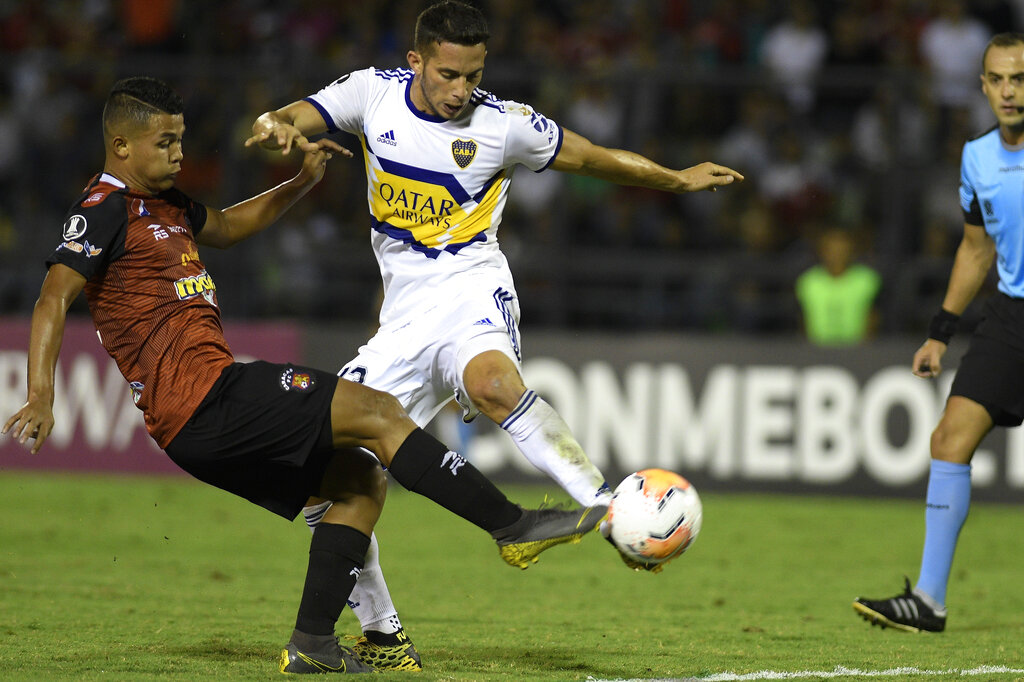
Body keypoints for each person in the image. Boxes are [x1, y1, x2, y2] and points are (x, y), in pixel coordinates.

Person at [0, 76, 605, 674]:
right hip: (204, 400)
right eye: (164, 142)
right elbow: (53, 299)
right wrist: (42, 396)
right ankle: (511, 525)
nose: (179, 153)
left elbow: (230, 229)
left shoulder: (166, 203)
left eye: (181, 139)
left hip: (200, 417)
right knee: (379, 414)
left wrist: (300, 182)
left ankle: (316, 643)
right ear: (121, 144)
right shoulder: (104, 208)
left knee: (358, 486)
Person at [245, 0, 743, 668]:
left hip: (472, 287)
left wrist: (675, 178)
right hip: (401, 322)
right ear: (416, 59)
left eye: (472, 75)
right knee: (331, 480)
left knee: (491, 384)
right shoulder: (372, 95)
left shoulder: (504, 126)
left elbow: (593, 158)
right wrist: (272, 128)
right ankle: (383, 634)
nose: (460, 91)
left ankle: (604, 507)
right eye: (448, 74)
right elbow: (287, 118)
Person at [853, 32, 1024, 633]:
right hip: (1011, 317)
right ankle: (928, 600)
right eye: (998, 79)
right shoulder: (977, 157)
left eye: (1020, 79)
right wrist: (940, 332)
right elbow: (976, 250)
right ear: (982, 85)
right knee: (950, 438)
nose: (1009, 90)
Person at [795, 226, 881, 346]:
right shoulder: (808, 282)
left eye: (842, 249)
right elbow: (801, 321)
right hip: (815, 351)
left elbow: (874, 317)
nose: (837, 254)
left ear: (852, 250)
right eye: (832, 249)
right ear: (822, 251)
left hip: (858, 350)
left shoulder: (867, 280)